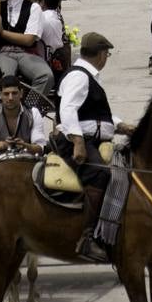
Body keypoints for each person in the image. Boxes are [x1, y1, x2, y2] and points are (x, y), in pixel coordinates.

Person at [54, 32, 134, 263]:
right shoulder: (79, 77)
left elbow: (93, 113)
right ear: (100, 55)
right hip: (75, 141)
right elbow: (68, 110)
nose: (106, 58)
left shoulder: (86, 75)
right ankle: (88, 237)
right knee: (99, 173)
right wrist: (78, 141)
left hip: (89, 137)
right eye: (106, 54)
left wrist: (120, 125)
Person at [0, 74, 46, 167]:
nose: (10, 98)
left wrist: (25, 146)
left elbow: (40, 148)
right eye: (6, 94)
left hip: (24, 161)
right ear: (0, 95)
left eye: (14, 93)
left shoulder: (33, 113)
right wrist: (3, 145)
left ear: (21, 93)